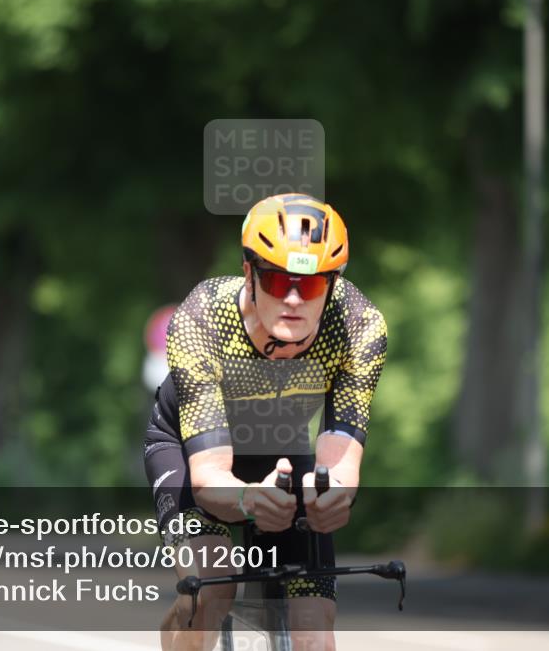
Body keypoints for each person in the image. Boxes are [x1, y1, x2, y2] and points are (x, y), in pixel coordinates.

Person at [144, 194, 387, 651]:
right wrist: (245, 499)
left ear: (334, 284)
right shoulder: (201, 320)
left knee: (315, 625)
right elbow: (209, 480)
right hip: (191, 448)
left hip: (283, 448)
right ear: (249, 273)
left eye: (311, 286)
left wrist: (332, 497)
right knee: (211, 592)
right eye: (278, 281)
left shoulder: (359, 328)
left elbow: (341, 464)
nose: (294, 299)